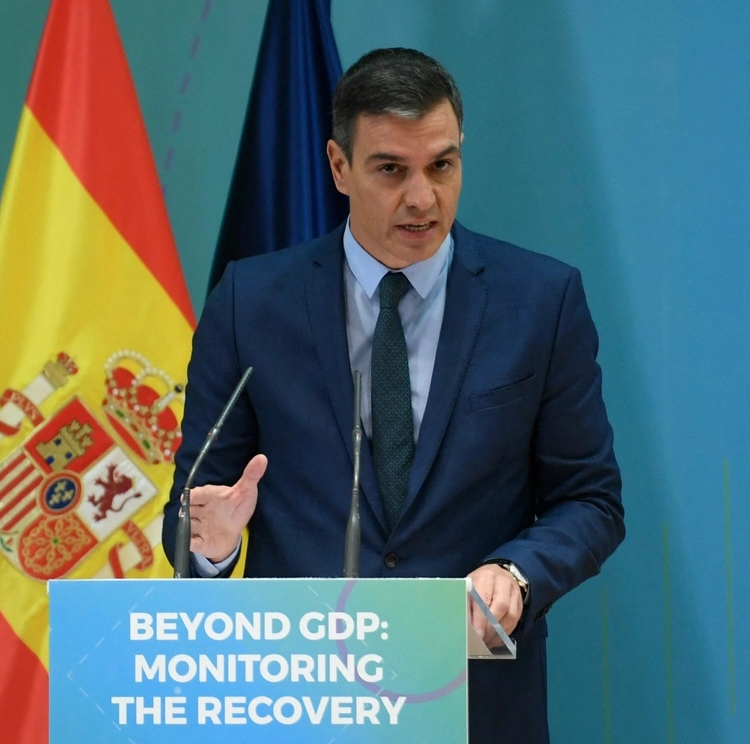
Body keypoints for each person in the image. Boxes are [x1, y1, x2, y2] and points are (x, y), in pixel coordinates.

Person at [161, 47, 625, 742]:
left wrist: (517, 572)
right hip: (302, 700)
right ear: (338, 166)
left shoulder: (539, 301)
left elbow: (589, 500)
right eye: (390, 170)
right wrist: (213, 544)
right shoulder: (250, 303)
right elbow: (192, 507)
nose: (422, 197)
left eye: (441, 164)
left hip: (474, 700)